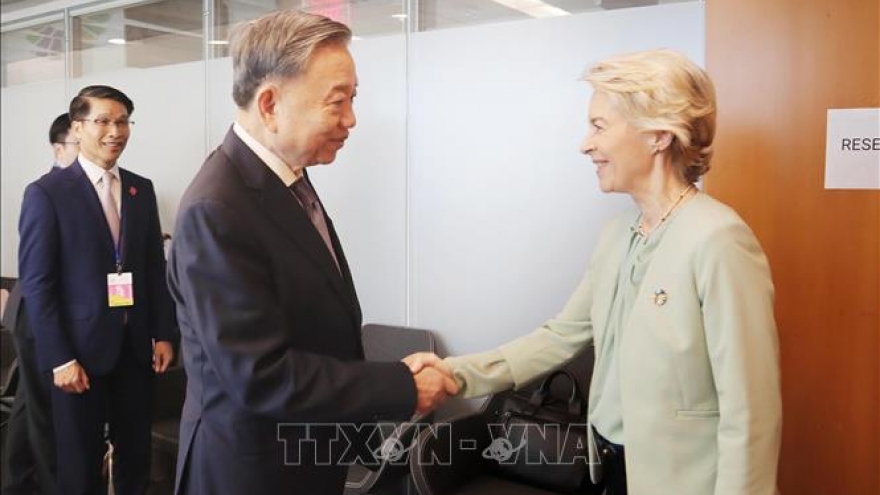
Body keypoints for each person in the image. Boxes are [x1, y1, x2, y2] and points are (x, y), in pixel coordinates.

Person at [406, 49, 782, 495]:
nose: (585, 145)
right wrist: (455, 373)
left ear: (658, 134)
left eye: (599, 126)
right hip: (608, 471)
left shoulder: (719, 239)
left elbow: (751, 410)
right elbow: (560, 336)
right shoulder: (617, 234)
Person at [166, 10, 457, 495]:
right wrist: (401, 386)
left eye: (353, 99)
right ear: (270, 104)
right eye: (336, 102)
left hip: (304, 453)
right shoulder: (216, 209)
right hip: (253, 471)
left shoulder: (285, 177)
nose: (351, 120)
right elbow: (261, 375)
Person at [18, 85, 176, 495]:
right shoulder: (47, 193)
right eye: (103, 121)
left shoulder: (140, 189)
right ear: (77, 127)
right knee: (79, 462)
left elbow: (153, 269)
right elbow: (37, 284)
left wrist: (163, 332)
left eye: (122, 122)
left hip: (135, 348)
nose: (115, 131)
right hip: (79, 355)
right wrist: (60, 358)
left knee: (136, 456)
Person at [1, 113, 78, 495]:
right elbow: (36, 273)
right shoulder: (46, 193)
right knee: (42, 408)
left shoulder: (81, 190)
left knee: (28, 403)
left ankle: (16, 481)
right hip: (35, 315)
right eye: (78, 143)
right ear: (58, 149)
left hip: (43, 311)